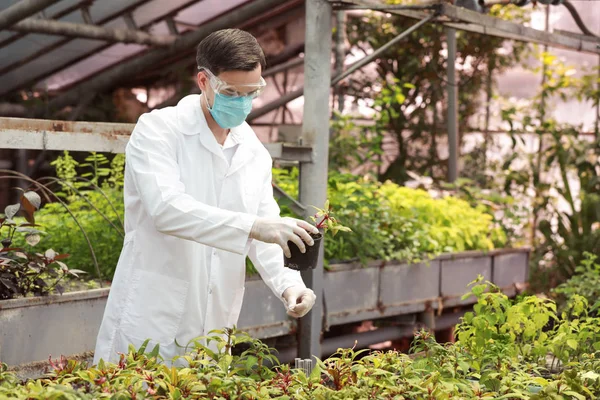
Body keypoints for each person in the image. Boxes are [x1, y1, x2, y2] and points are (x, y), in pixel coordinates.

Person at [93, 29, 318, 365]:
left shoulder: (253, 152)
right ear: (204, 81)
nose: (242, 102)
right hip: (152, 315)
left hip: (214, 326)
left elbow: (266, 232)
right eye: (231, 92)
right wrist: (254, 227)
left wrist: (290, 285)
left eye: (251, 92)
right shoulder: (159, 130)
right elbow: (166, 209)